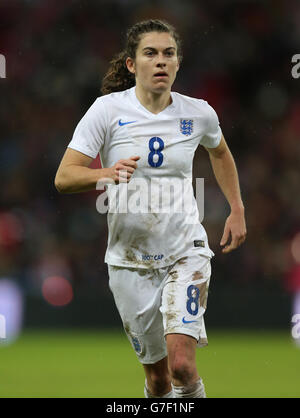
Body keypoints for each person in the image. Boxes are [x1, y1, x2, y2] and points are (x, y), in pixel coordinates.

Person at [54, 19, 247, 398]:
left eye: (168, 54)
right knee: (158, 381)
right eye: (150, 53)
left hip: (184, 250)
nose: (161, 61)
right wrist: (106, 174)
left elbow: (220, 151)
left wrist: (237, 208)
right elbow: (63, 177)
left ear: (178, 63)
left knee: (182, 366)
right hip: (129, 261)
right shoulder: (106, 111)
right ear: (131, 64)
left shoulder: (199, 113)